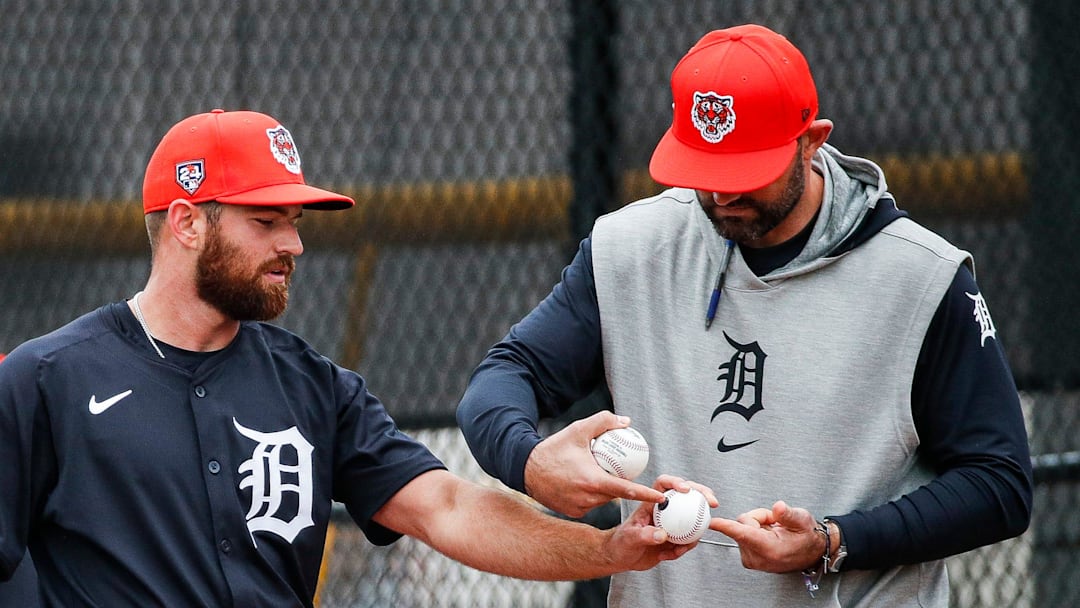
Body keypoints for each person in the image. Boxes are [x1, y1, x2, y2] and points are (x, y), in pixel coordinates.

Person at [0, 109, 708, 607]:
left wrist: (607, 552)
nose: (294, 245)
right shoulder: (46, 382)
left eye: (295, 222)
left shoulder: (313, 387)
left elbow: (448, 508)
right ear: (187, 222)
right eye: (265, 221)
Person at [456, 24, 1033, 607]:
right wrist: (529, 460)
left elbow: (999, 484)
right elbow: (504, 378)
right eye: (707, 170)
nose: (723, 196)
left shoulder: (921, 276)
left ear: (812, 140)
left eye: (746, 171)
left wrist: (833, 541)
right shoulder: (630, 249)